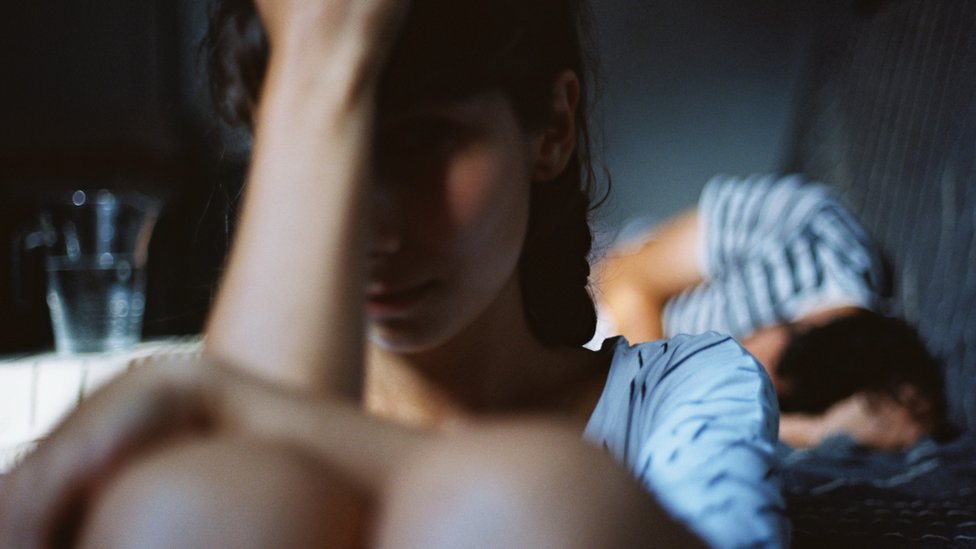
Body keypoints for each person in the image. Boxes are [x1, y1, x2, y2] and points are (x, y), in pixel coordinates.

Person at [0, 1, 787, 547]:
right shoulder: (202, 434)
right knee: (200, 502)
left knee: (531, 506)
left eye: (423, 142)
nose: (370, 230)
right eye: (330, 148)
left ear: (551, 127)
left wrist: (212, 392)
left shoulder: (682, 387)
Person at [595, 174, 947, 450]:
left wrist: (816, 432)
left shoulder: (826, 391)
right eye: (753, 364)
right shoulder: (806, 228)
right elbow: (627, 279)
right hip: (598, 312)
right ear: (811, 321)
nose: (737, 368)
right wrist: (656, 402)